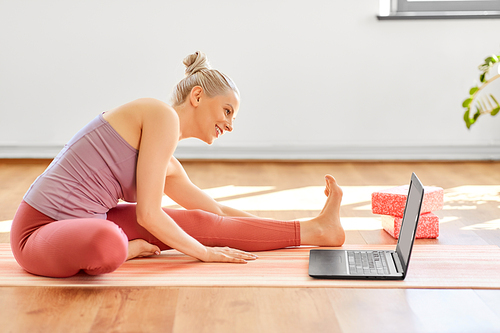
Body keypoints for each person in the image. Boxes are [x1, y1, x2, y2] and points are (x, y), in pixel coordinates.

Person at [10, 51, 346, 278]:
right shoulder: (160, 115)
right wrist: (203, 253)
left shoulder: (166, 159)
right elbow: (148, 215)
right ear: (197, 97)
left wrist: (292, 228)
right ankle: (123, 249)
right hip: (38, 231)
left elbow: (217, 215)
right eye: (227, 111)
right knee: (109, 241)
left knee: (200, 221)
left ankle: (318, 229)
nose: (230, 125)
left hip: (89, 221)